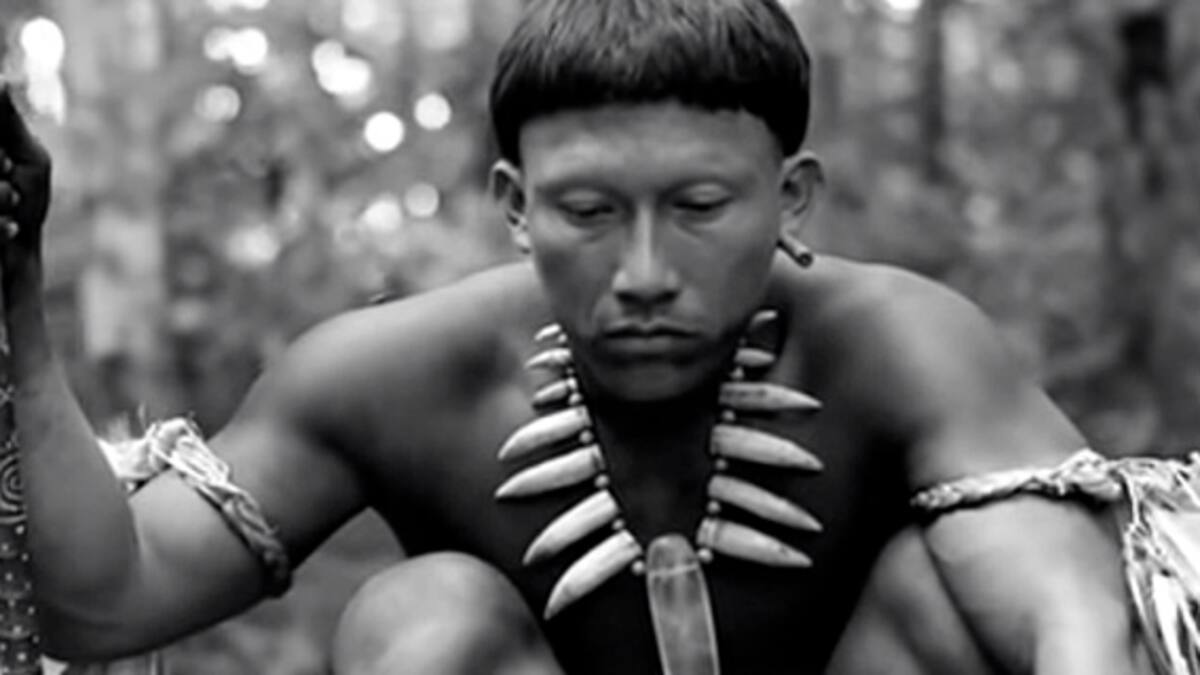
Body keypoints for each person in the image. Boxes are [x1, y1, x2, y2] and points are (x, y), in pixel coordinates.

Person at [0, 0, 1155, 673]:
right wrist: (15, 294)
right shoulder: (388, 373)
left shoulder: (899, 341)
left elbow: (1074, 622)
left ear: (792, 198)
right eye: (589, 212)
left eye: (700, 207)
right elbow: (107, 598)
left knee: (946, 586)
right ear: (516, 206)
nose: (644, 275)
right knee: (423, 616)